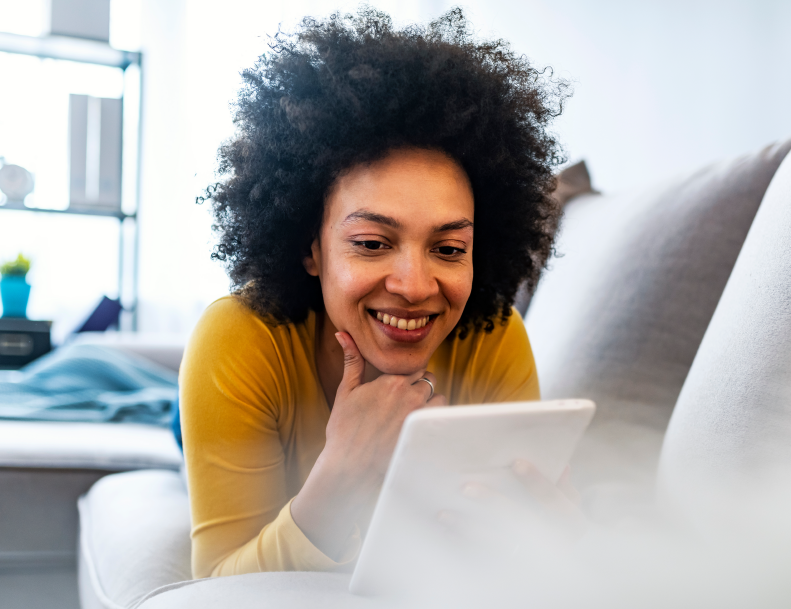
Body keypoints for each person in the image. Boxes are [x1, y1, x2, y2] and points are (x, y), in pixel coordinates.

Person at [180, 7, 581, 578]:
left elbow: (518, 555)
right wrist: (339, 474)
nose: (415, 287)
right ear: (310, 247)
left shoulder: (495, 336)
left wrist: (557, 546)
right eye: (371, 243)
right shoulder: (236, 338)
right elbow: (215, 586)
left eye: (448, 249)